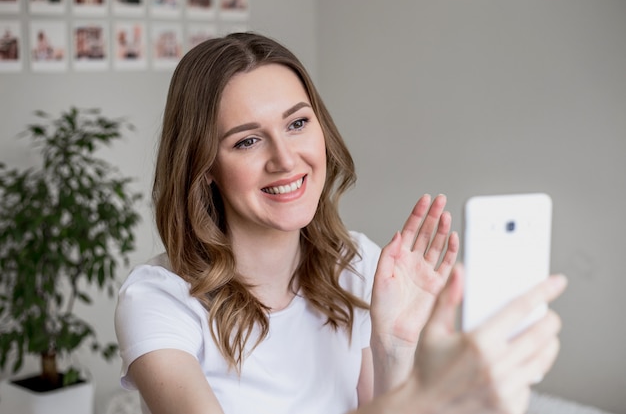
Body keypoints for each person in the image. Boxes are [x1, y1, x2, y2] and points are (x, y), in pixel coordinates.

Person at [114, 32, 567, 414]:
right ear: (204, 164)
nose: (286, 159)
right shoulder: (159, 300)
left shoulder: (358, 263)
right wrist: (428, 397)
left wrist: (396, 346)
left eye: (297, 124)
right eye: (248, 140)